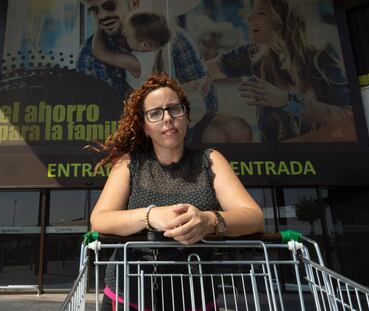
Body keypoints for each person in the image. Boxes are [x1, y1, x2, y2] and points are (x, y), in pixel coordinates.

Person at [90, 73, 264, 310]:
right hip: (129, 294)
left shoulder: (210, 160)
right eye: (155, 113)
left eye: (174, 109)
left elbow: (253, 216)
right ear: (145, 127)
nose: (167, 119)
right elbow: (100, 219)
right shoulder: (129, 164)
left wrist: (209, 220)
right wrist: (151, 216)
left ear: (187, 118)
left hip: (195, 295)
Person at [206, 0, 353, 143]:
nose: (249, 17)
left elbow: (348, 116)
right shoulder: (252, 53)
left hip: (315, 159)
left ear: (284, 21)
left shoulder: (321, 58)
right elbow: (202, 71)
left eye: (261, 13)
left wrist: (286, 100)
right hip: (274, 162)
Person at [77, 0, 218, 113]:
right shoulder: (87, 57)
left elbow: (207, 101)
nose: (101, 16)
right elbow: (101, 116)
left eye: (110, 5)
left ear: (134, 3)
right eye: (95, 11)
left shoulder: (175, 39)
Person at [92, 12, 171, 91]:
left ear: (145, 45)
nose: (124, 35)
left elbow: (99, 52)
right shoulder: (156, 50)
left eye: (128, 35)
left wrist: (99, 27)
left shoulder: (135, 63)